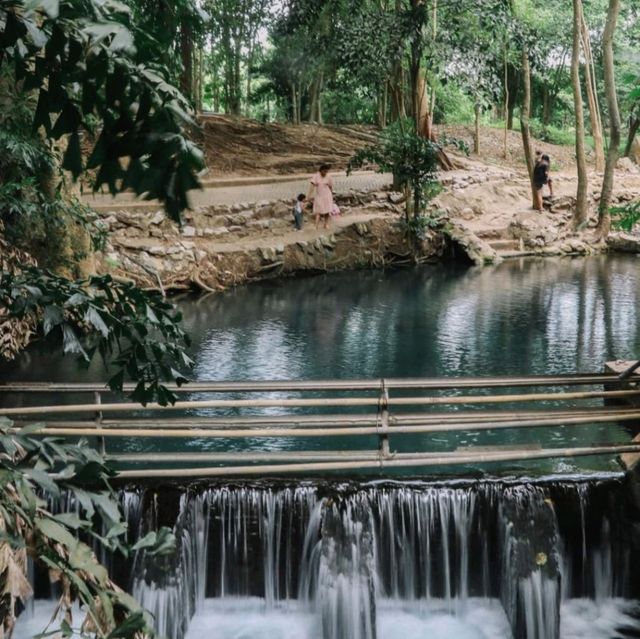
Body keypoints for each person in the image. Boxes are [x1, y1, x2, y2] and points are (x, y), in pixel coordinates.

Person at [307, 164, 334, 230]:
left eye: (326, 171)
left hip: (327, 195)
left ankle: (326, 224)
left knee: (327, 210)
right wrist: (309, 196)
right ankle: (316, 226)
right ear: (321, 170)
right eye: (324, 171)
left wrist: (332, 194)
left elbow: (330, 187)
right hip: (319, 195)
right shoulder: (316, 176)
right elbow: (312, 187)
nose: (325, 173)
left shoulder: (329, 176)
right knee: (318, 211)